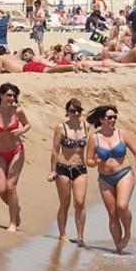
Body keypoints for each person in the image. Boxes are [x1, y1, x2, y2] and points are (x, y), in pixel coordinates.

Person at [85, 104, 136, 254]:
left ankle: (128, 232)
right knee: (112, 213)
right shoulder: (94, 138)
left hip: (124, 173)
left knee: (122, 206)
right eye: (109, 117)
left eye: (114, 117)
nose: (113, 120)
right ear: (101, 119)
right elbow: (88, 161)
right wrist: (95, 161)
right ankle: (119, 249)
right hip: (105, 178)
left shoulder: (122, 134)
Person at [0, 83, 30, 232]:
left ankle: (13, 222)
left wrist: (21, 131)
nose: (12, 98)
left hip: (16, 151)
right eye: (9, 95)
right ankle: (16, 209)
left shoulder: (18, 111)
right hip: (0, 153)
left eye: (14, 96)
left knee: (11, 187)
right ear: (1, 95)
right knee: (1, 189)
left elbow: (27, 124)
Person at [48, 98, 91, 246]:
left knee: (80, 202)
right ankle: (63, 234)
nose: (76, 113)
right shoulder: (61, 127)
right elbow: (55, 150)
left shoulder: (86, 126)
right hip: (63, 168)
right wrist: (52, 170)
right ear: (67, 112)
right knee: (65, 203)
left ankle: (80, 236)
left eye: (79, 111)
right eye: (73, 111)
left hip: (80, 168)